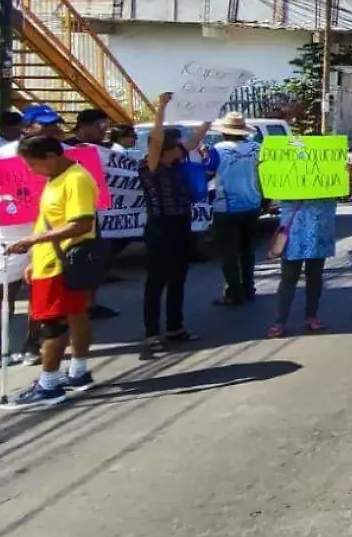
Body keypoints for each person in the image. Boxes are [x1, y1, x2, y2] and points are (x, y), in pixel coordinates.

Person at [2, 135, 101, 408]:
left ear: (50, 156)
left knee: (52, 325)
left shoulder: (76, 179)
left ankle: (49, 384)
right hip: (51, 261)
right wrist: (35, 257)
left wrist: (33, 242)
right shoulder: (55, 180)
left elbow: (80, 224)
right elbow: (49, 222)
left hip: (60, 265)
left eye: (33, 164)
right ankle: (78, 373)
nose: (31, 171)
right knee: (75, 314)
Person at [0, 104, 67, 374]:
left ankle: (32, 343)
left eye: (54, 125)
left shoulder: (64, 156)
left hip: (47, 235)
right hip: (8, 234)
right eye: (44, 125)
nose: (52, 129)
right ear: (26, 128)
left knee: (40, 291)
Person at [141, 94, 203, 352]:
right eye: (175, 146)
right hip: (160, 227)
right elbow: (156, 141)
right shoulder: (150, 165)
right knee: (157, 281)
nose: (181, 149)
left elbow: (194, 139)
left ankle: (175, 327)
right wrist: (160, 109)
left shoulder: (177, 162)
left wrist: (209, 117)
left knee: (178, 278)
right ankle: (152, 332)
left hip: (181, 224)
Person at [68, 108, 123, 320]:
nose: (104, 132)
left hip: (99, 212)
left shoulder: (105, 149)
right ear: (84, 126)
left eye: (107, 127)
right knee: (76, 260)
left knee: (97, 258)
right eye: (101, 127)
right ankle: (74, 305)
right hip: (74, 213)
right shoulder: (67, 148)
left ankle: (91, 304)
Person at [210, 113, 265, 306]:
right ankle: (248, 287)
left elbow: (208, 173)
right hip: (252, 204)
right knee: (247, 250)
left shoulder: (217, 150)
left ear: (225, 133)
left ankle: (233, 292)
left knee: (229, 253)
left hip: (226, 207)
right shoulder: (257, 148)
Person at [268, 189, 340, 339]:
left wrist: (344, 176)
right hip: (294, 226)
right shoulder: (284, 165)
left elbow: (342, 192)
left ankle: (311, 316)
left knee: (314, 275)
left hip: (319, 224)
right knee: (289, 277)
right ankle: (280, 322)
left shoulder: (329, 165)